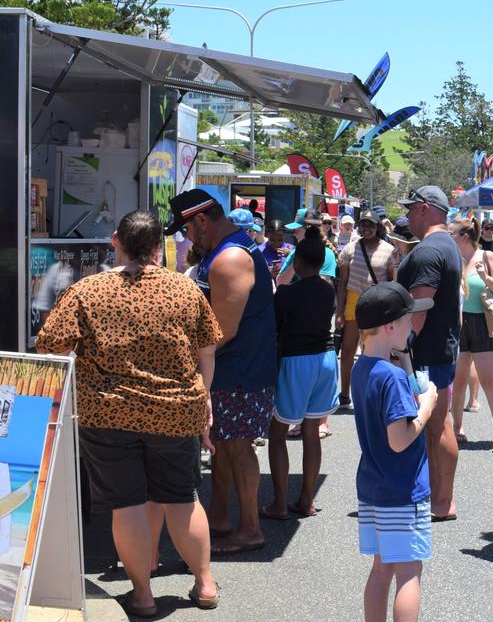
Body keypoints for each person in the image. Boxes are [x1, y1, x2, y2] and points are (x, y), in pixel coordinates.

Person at [36, 210, 222, 615]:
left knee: (128, 504)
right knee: (182, 499)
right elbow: (207, 352)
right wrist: (202, 398)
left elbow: (48, 345)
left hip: (109, 414)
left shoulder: (89, 291)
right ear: (158, 246)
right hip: (176, 411)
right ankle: (205, 584)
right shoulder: (185, 290)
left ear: (116, 240)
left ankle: (143, 595)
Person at [170, 189, 279, 555]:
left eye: (186, 230)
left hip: (240, 371)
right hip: (234, 368)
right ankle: (219, 516)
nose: (186, 238)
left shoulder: (229, 258)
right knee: (222, 445)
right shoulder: (229, 249)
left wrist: (183, 362)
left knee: (237, 446)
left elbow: (223, 329)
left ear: (202, 220)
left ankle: (250, 528)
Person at [351, 282, 438, 622]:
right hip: (403, 489)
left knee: (382, 568)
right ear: (390, 326)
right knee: (408, 571)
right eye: (408, 320)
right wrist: (427, 405)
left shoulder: (363, 368)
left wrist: (401, 362)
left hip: (373, 486)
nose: (413, 325)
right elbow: (399, 439)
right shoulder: (393, 379)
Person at [396, 186, 462, 522]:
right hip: (439, 349)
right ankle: (439, 498)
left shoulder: (428, 251)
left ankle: (440, 500)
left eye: (410, 209)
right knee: (437, 424)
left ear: (424, 209)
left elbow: (419, 307)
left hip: (425, 352)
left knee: (434, 425)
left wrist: (399, 346)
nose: (407, 215)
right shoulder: (446, 245)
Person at [262, 236, 339, 520]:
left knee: (277, 431)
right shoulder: (327, 291)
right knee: (311, 431)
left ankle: (280, 503)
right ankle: (306, 500)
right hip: (327, 359)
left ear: (297, 261)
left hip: (296, 361)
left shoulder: (285, 293)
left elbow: (275, 327)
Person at [448, 217, 493, 450]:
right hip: (457, 324)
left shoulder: (486, 256)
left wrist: (485, 277)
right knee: (458, 379)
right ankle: (457, 427)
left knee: (488, 380)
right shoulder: (451, 258)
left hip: (483, 323)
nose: (448, 238)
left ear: (464, 236)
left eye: (451, 234)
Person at [336, 211, 399, 408]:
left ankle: (371, 395)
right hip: (353, 301)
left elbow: (393, 282)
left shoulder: (389, 250)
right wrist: (339, 313)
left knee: (373, 351)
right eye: (363, 224)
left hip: (376, 305)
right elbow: (342, 282)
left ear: (378, 227)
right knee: (347, 351)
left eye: (370, 225)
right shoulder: (350, 248)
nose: (366, 228)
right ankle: (345, 395)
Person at [277, 208, 337, 285]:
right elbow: (280, 282)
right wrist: (297, 260)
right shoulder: (295, 252)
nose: (294, 234)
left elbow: (319, 287)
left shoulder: (327, 254)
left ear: (310, 230)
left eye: (297, 230)